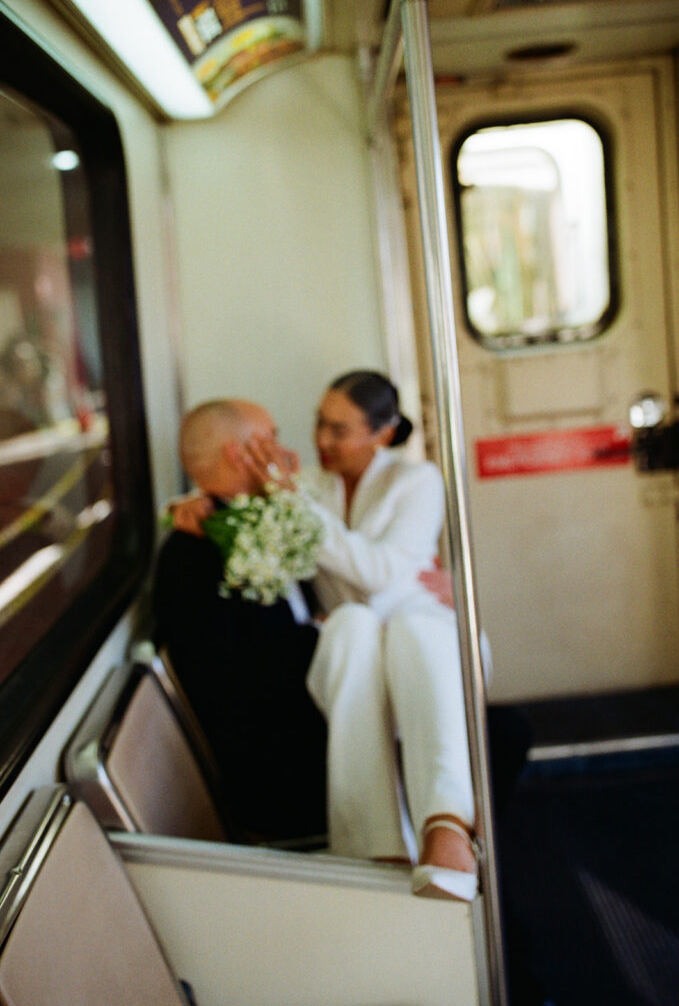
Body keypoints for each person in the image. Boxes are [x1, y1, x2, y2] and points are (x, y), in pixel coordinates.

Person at [240, 370, 489, 901]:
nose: (323, 441)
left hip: (424, 637)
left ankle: (446, 824)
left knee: (407, 626)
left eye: (340, 429)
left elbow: (379, 575)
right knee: (354, 624)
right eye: (319, 425)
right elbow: (234, 497)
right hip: (354, 649)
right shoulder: (311, 485)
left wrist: (297, 507)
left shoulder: (416, 481)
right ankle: (376, 847)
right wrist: (184, 506)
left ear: (383, 432)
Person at [153, 399, 327, 844]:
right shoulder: (191, 555)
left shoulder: (264, 515)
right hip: (286, 766)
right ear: (240, 453)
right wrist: (326, 635)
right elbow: (238, 682)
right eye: (272, 437)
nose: (284, 450)